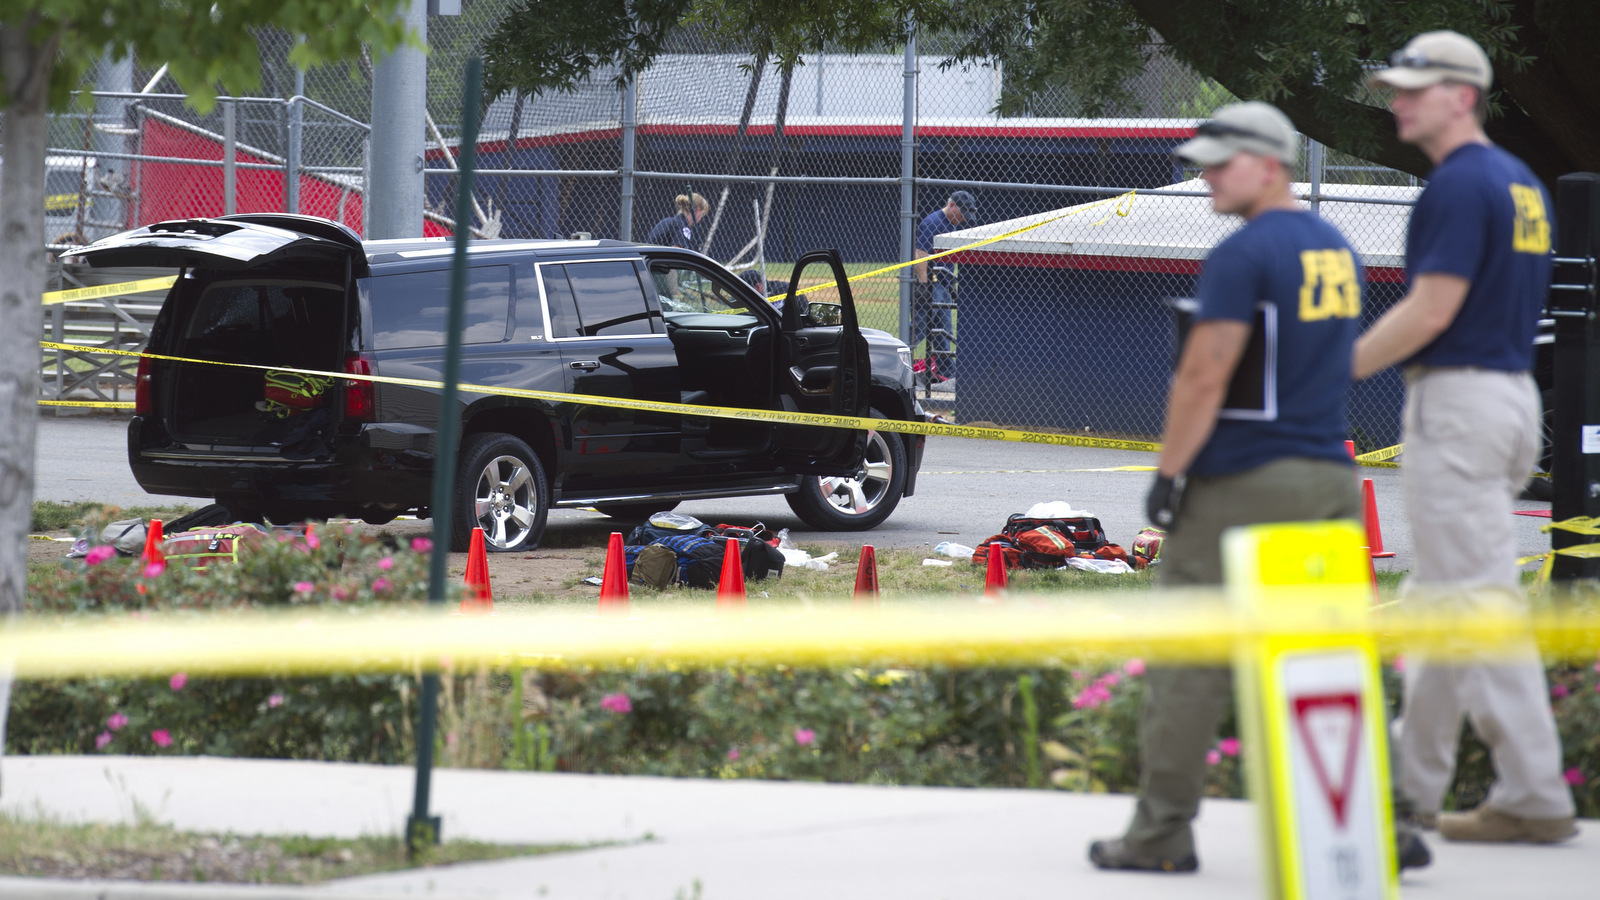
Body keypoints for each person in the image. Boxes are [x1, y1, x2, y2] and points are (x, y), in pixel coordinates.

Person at [1087, 101, 1429, 873]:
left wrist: (1169, 474)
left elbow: (1206, 373)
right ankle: (1385, 816)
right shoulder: (1334, 247)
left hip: (1244, 479)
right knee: (1335, 653)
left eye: (1221, 159)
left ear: (1269, 164)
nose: (1205, 172)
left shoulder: (1244, 255)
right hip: (1327, 473)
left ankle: (1160, 833)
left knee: (1188, 658)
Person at [1355, 30, 1577, 844]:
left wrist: (1328, 368)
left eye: (1413, 87)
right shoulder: (1520, 185)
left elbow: (1432, 308)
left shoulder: (1457, 184)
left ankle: (1535, 793)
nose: (1397, 101)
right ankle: (1409, 795)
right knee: (1442, 603)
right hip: (1511, 398)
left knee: (1479, 604)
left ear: (1461, 95)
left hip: (1459, 403)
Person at [912, 190, 976, 381]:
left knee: (944, 332)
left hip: (942, 284)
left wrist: (949, 287)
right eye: (962, 212)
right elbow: (920, 255)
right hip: (929, 283)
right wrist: (923, 285)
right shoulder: (934, 223)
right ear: (952, 205)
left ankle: (946, 373)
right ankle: (899, 358)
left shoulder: (950, 224)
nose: (964, 218)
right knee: (920, 327)